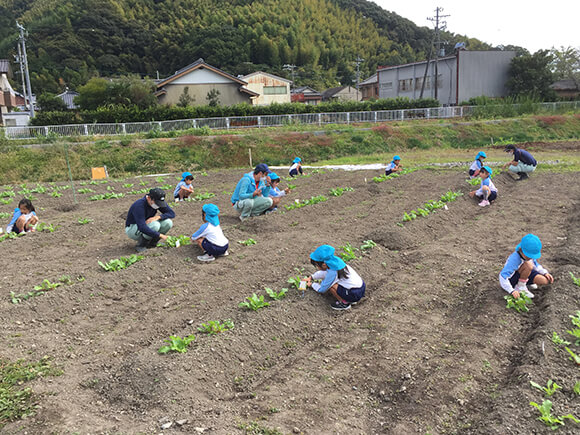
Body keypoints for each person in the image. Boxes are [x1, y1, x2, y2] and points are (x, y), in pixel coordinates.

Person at [305, 244, 366, 311]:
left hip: (355, 293)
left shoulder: (332, 273)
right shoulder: (336, 263)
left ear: (324, 264)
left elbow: (322, 289)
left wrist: (312, 284)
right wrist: (312, 277)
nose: (317, 267)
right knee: (334, 284)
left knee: (331, 286)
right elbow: (325, 273)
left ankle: (344, 304)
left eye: (317, 265)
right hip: (360, 287)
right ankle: (350, 299)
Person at [499, 234, 554, 299]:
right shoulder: (514, 259)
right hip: (512, 278)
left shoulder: (529, 257)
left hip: (525, 272)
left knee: (544, 281)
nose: (531, 258)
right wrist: (511, 291)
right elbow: (503, 276)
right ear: (521, 250)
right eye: (529, 256)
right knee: (528, 265)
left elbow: (536, 265)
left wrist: (545, 273)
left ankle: (524, 283)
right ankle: (520, 287)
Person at [125, 188, 175, 252]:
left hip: (146, 224)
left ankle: (153, 243)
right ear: (149, 198)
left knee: (168, 222)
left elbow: (172, 213)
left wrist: (158, 217)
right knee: (155, 225)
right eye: (156, 203)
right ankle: (141, 245)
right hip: (133, 228)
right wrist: (160, 235)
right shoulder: (139, 205)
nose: (158, 205)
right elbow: (142, 227)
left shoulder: (158, 201)